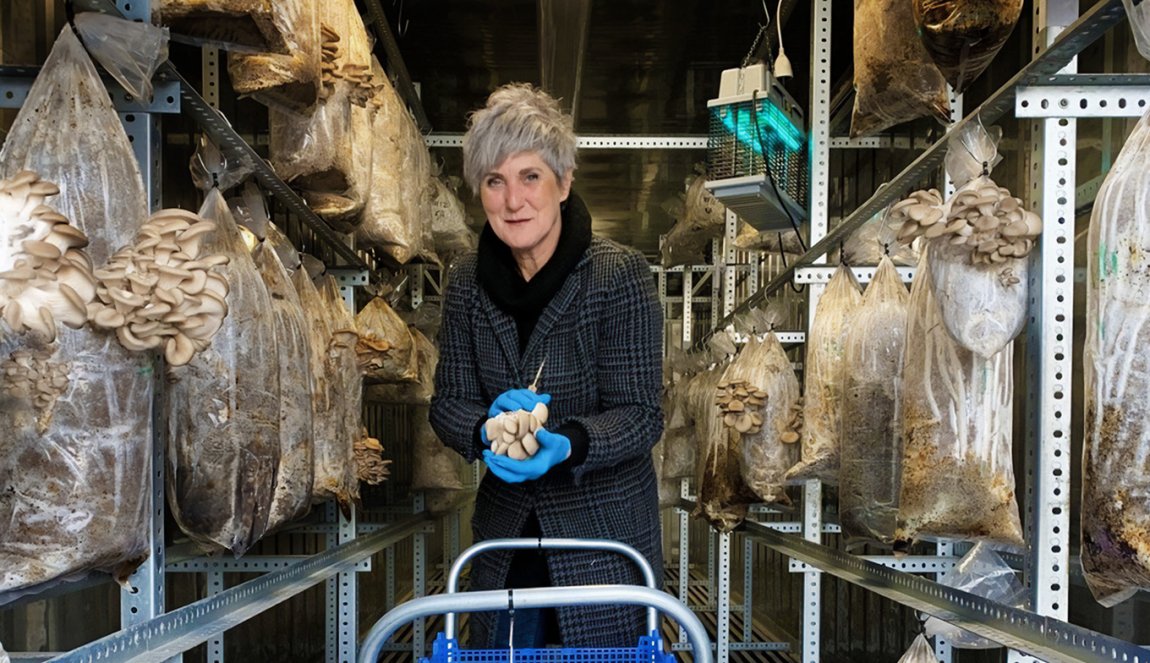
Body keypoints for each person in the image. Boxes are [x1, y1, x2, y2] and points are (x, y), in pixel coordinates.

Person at [429, 82, 664, 649]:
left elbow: (642, 415)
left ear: (564, 182)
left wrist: (568, 445)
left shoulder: (618, 276)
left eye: (530, 176)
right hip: (506, 544)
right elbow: (447, 404)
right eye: (495, 181)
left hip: (603, 544)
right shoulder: (465, 283)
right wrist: (485, 428)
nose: (514, 202)